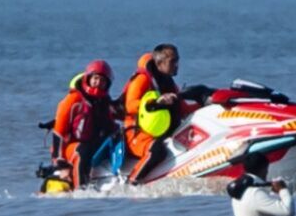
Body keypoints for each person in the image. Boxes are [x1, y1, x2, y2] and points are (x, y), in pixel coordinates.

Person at [121, 43, 201, 183]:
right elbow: (130, 105)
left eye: (177, 60)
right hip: (138, 134)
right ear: (159, 62)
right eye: (172, 61)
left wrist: (205, 104)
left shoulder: (168, 82)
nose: (177, 65)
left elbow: (183, 110)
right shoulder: (142, 79)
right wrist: (157, 102)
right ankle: (132, 182)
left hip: (160, 132)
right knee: (158, 151)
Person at [51, 59, 119, 189]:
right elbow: (58, 133)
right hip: (70, 148)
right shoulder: (72, 100)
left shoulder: (104, 102)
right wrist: (59, 162)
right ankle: (81, 190)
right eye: (95, 78)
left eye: (102, 81)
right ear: (88, 79)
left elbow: (114, 120)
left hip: (96, 144)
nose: (98, 83)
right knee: (83, 151)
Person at [226, 152, 294, 216]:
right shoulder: (256, 193)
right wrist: (283, 190)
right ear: (265, 169)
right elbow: (288, 211)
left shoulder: (238, 192)